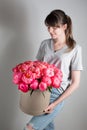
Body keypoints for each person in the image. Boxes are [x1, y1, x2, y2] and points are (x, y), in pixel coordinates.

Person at [24, 9, 83, 130]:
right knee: (47, 128)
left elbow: (75, 83)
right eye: (48, 27)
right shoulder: (45, 44)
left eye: (54, 27)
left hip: (57, 94)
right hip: (41, 91)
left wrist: (55, 103)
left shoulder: (75, 49)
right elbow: (37, 68)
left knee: (30, 127)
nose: (50, 31)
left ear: (64, 26)